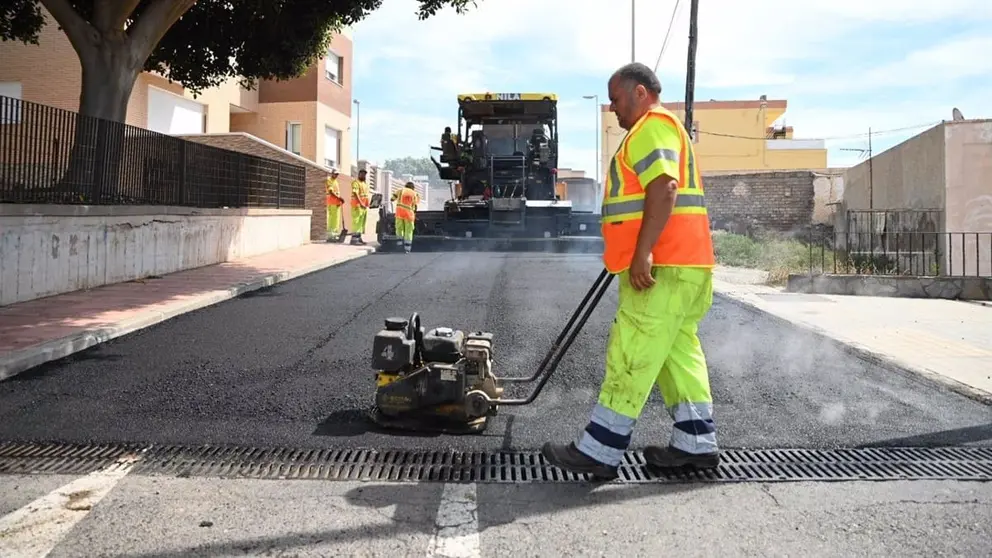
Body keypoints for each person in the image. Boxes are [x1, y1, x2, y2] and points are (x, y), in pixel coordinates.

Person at [541, 62, 719, 480]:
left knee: (631, 353)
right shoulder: (663, 128)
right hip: (687, 266)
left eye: (616, 99)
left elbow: (665, 187)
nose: (613, 108)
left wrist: (642, 254)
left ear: (640, 92)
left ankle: (600, 450)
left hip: (663, 269)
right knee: (678, 357)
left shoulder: (652, 126)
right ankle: (697, 442)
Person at [390, 181, 420, 253]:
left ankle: (399, 245)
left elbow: (392, 198)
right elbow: (416, 204)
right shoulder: (415, 193)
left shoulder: (400, 190)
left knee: (399, 229)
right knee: (408, 231)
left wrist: (394, 199)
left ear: (405, 186)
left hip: (399, 213)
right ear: (413, 188)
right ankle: (407, 248)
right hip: (409, 214)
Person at [325, 168, 347, 243]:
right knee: (332, 219)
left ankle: (334, 235)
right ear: (332, 173)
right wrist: (340, 198)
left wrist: (339, 200)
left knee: (336, 219)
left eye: (337, 174)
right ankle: (331, 235)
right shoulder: (329, 180)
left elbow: (337, 192)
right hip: (332, 202)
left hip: (336, 203)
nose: (336, 175)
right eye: (335, 174)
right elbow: (331, 192)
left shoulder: (336, 182)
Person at [350, 169, 370, 245]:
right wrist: (361, 203)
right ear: (359, 174)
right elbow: (355, 193)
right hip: (357, 205)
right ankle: (354, 240)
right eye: (362, 174)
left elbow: (366, 196)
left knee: (361, 223)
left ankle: (359, 238)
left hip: (363, 207)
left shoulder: (364, 184)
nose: (363, 175)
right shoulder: (356, 183)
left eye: (365, 174)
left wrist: (368, 204)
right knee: (356, 222)